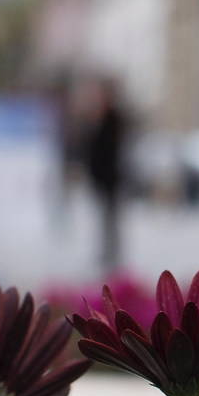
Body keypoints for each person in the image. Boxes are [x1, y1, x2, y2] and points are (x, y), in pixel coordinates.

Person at [83, 78, 131, 273]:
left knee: (111, 218)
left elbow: (110, 151)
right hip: (102, 179)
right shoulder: (101, 118)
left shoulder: (113, 119)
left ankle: (113, 255)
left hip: (110, 179)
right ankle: (108, 253)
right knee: (104, 218)